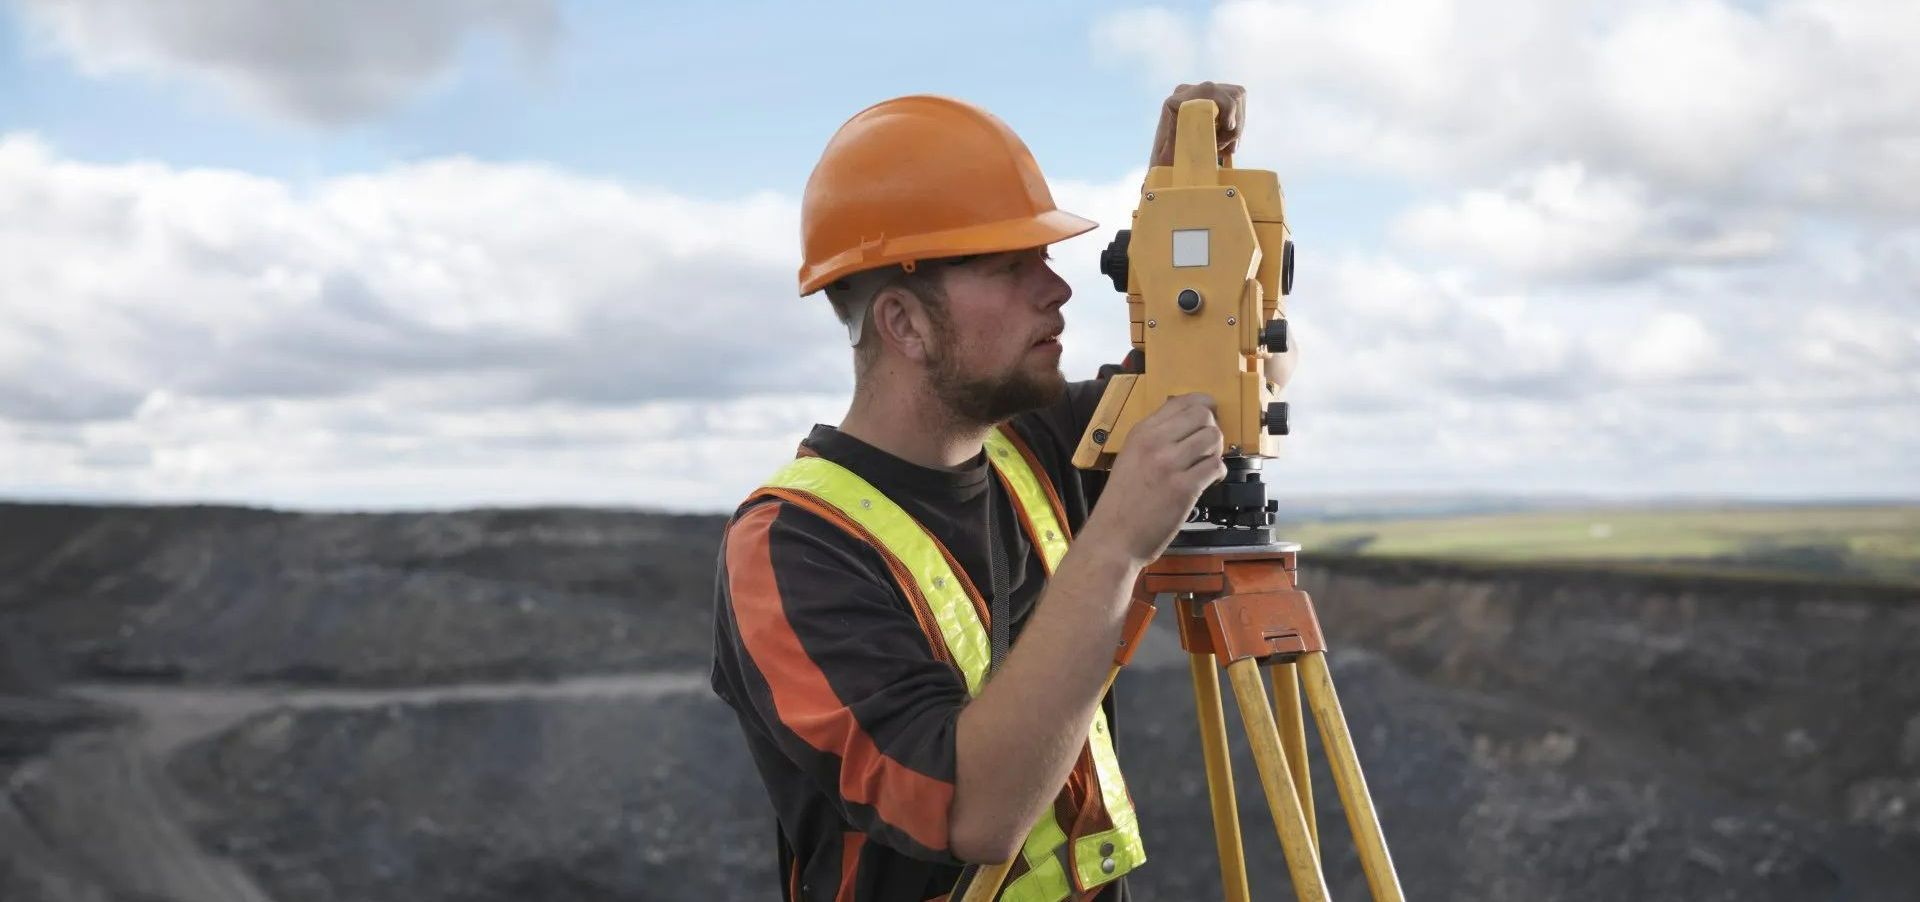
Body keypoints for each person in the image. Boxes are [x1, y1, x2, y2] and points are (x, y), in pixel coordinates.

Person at [711, 83, 1259, 901]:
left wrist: (1190, 214)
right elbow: (971, 812)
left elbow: (1229, 382)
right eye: (1013, 267)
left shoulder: (1038, 445)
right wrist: (1114, 546)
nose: (1059, 288)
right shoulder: (789, 550)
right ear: (904, 324)